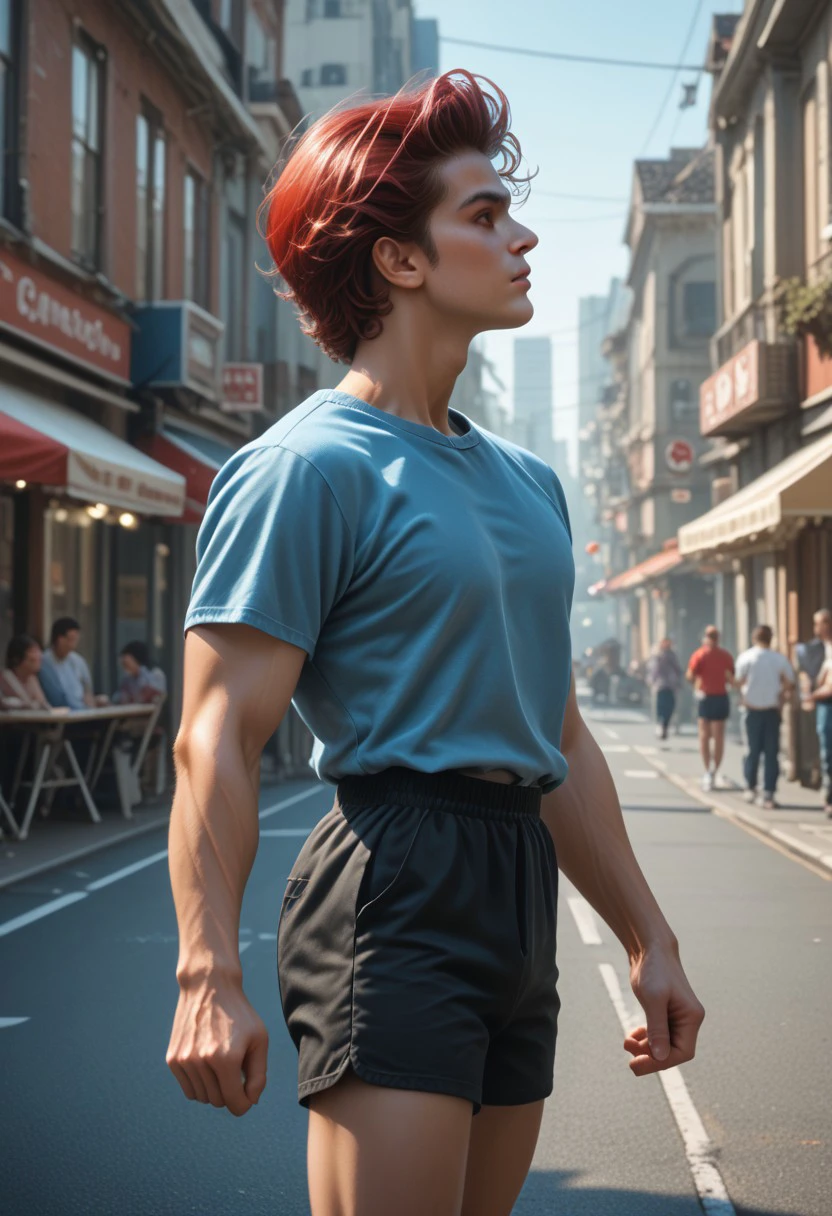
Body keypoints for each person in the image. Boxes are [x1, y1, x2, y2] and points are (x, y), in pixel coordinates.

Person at [165, 72, 704, 1216]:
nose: (521, 236)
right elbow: (215, 733)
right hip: (392, 879)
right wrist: (207, 971)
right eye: (483, 215)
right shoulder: (308, 466)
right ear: (399, 261)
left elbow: (552, 733)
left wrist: (648, 936)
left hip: (517, 886)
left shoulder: (530, 485)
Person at [735, 626, 795, 810]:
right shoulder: (779, 659)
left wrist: (743, 697)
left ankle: (750, 787)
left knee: (752, 751)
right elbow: (789, 683)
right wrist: (781, 700)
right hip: (771, 711)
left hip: (751, 710)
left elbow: (739, 681)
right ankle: (768, 791)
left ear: (754, 637)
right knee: (771, 753)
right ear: (771, 639)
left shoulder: (746, 657)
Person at [686, 625, 735, 792]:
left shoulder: (702, 654)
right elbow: (731, 676)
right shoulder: (718, 655)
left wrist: (696, 684)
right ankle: (711, 771)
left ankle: (710, 771)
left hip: (711, 696)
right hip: (713, 696)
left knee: (709, 736)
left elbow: (690, 676)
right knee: (712, 735)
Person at [38, 617, 108, 710]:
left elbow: (87, 689)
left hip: (82, 711)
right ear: (60, 639)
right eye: (72, 639)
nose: (75, 643)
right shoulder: (44, 662)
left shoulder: (78, 660)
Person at [802, 608, 832, 818]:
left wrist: (811, 696)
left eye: (820, 623)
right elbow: (807, 673)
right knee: (825, 751)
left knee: (828, 752)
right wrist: (808, 692)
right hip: (824, 706)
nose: (816, 628)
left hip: (825, 702)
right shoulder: (814, 649)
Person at [0, 635, 52, 711]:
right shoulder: (5, 678)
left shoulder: (32, 678)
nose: (39, 656)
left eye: (39, 651)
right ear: (17, 658)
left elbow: (44, 705)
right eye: (33, 652)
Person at [646, 638, 682, 740]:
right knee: (661, 708)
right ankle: (661, 726)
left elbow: (677, 669)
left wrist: (679, 682)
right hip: (660, 686)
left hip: (671, 686)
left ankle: (665, 726)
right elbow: (654, 670)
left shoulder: (673, 656)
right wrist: (651, 680)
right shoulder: (657, 656)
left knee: (670, 708)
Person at [111, 640, 167, 705]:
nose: (125, 669)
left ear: (136, 660)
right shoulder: (128, 679)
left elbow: (147, 696)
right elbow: (120, 697)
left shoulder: (155, 674)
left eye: (127, 664)